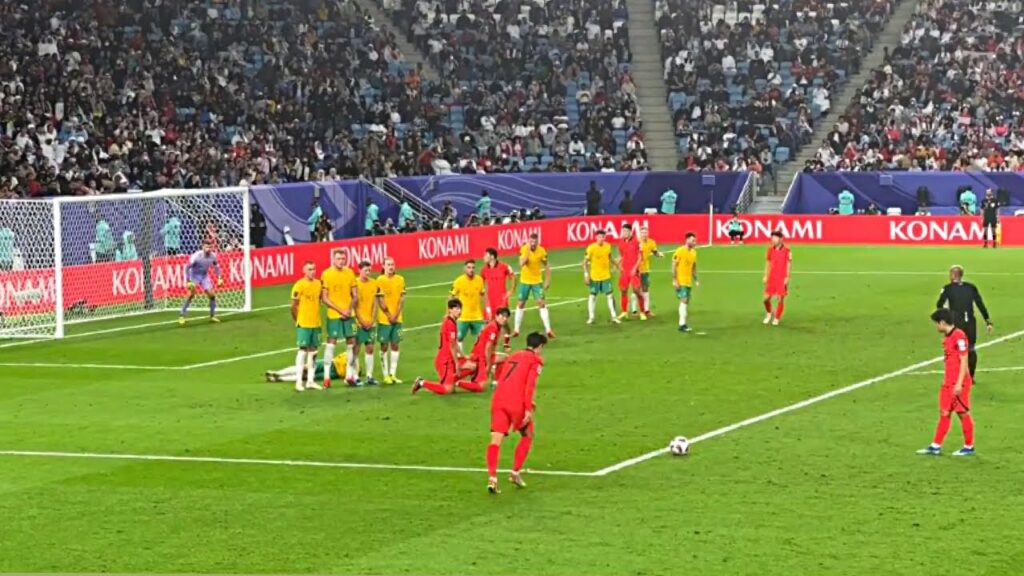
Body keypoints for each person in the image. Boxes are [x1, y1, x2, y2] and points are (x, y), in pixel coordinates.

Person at [486, 331, 548, 494]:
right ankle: (514, 472)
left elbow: (502, 376)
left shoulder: (513, 355)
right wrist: (527, 407)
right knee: (528, 434)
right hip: (516, 403)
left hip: (498, 399)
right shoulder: (536, 360)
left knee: (495, 439)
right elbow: (529, 385)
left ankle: (492, 477)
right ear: (539, 347)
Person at [917, 309, 976, 456]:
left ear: (942, 322)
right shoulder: (947, 337)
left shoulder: (959, 336)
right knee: (944, 412)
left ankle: (969, 447)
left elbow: (964, 361)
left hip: (958, 383)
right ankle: (935, 446)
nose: (936, 327)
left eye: (937, 324)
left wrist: (959, 384)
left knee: (962, 413)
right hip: (948, 382)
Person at [412, 299, 480, 395]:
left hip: (450, 359)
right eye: (456, 309)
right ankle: (422, 382)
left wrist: (463, 356)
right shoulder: (450, 323)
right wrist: (457, 363)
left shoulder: (451, 321)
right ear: (450, 310)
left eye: (460, 308)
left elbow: (455, 343)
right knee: (448, 390)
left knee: (473, 366)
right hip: (444, 361)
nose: (459, 311)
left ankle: (452, 381)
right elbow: (452, 345)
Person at [936, 265, 992, 380]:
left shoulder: (947, 288)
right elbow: (980, 303)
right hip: (970, 323)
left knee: (955, 350)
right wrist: (987, 321)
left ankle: (957, 376)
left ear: (952, 275)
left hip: (956, 324)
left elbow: (939, 305)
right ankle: (971, 377)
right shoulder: (971, 287)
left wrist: (945, 317)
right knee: (971, 349)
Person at [320, 249, 358, 387]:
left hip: (349, 315)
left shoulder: (350, 273)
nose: (341, 261)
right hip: (334, 315)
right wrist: (341, 310)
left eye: (343, 258)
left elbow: (355, 295)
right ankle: (326, 377)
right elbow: (324, 298)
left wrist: (348, 309)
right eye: (339, 258)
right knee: (331, 343)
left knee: (352, 342)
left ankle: (349, 375)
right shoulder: (327, 274)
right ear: (333, 259)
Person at [457, 308, 511, 392]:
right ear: (496, 316)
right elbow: (488, 348)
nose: (504, 319)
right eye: (502, 316)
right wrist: (489, 364)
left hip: (482, 354)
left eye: (506, 317)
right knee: (480, 387)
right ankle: (458, 382)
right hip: (481, 357)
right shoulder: (493, 327)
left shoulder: (496, 326)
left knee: (505, 358)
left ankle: (495, 383)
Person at [290, 261, 324, 392]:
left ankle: (310, 380)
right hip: (304, 323)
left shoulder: (318, 284)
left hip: (316, 323)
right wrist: (297, 320)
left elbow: (320, 299)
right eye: (309, 269)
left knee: (314, 351)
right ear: (304, 271)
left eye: (314, 269)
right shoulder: (299, 285)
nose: (312, 271)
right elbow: (293, 305)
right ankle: (299, 382)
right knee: (302, 350)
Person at [513, 233, 554, 338]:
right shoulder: (524, 249)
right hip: (525, 281)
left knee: (541, 303)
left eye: (535, 242)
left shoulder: (542, 251)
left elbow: (547, 265)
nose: (533, 243)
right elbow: (521, 264)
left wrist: (548, 280)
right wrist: (527, 252)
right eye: (531, 241)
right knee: (521, 303)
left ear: (538, 242)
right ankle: (516, 329)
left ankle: (548, 329)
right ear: (529, 241)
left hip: (537, 281)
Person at [375, 257, 406, 385]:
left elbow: (402, 299)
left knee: (395, 344)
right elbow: (380, 300)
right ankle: (385, 374)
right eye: (388, 264)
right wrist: (389, 314)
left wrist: (396, 314)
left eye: (392, 264)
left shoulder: (400, 279)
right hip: (384, 319)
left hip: (397, 318)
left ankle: (393, 374)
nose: (391, 267)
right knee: (384, 346)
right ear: (383, 266)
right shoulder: (380, 280)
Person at [179, 241, 224, 325]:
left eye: (210, 247)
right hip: (194, 275)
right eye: (206, 247)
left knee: (212, 295)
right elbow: (187, 267)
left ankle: (212, 316)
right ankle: (182, 315)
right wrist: (188, 281)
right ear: (203, 247)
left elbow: (217, 267)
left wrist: (219, 278)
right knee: (191, 294)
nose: (208, 249)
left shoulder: (213, 256)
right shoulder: (196, 256)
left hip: (204, 276)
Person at [481, 247, 515, 353]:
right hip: (490, 301)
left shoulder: (504, 267)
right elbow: (480, 282)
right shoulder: (484, 270)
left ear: (492, 256)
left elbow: (513, 276)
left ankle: (506, 342)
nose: (483, 257)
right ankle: (489, 345)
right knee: (490, 323)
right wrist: (483, 296)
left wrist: (511, 291)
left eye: (485, 255)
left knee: (503, 322)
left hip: (501, 300)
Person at [584, 229, 619, 325]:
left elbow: (610, 257)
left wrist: (617, 266)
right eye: (599, 237)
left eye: (603, 237)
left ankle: (614, 316)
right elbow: (585, 263)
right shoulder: (591, 248)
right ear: (596, 237)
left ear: (604, 237)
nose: (601, 239)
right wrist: (586, 275)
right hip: (594, 277)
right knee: (592, 297)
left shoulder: (608, 246)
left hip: (605, 276)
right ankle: (591, 317)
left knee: (610, 296)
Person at [353, 261, 380, 386]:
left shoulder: (374, 283)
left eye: (369, 270)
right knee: (356, 348)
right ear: (359, 270)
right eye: (365, 270)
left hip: (370, 322)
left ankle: (369, 376)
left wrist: (373, 320)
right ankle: (355, 376)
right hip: (358, 322)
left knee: (370, 348)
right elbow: (355, 305)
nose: (368, 273)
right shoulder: (354, 284)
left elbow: (376, 303)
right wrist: (361, 320)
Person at [451, 259, 487, 352]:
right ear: (464, 269)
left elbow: (483, 295)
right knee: (459, 338)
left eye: (473, 268)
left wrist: (487, 310)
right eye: (469, 267)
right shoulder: (459, 281)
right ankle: (460, 357)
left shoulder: (479, 280)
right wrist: (450, 313)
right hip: (463, 316)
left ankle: (479, 356)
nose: (471, 270)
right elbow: (452, 296)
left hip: (477, 316)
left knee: (482, 337)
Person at [762, 230, 792, 326]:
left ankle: (777, 318)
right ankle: (769, 313)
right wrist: (766, 275)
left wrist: (787, 277)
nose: (773, 240)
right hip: (772, 277)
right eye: (772, 238)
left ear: (781, 239)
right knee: (766, 299)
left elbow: (788, 264)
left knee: (780, 299)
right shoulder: (770, 250)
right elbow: (767, 263)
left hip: (781, 277)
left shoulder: (787, 250)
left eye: (775, 238)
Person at [616, 223, 644, 321]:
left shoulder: (637, 241)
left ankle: (642, 312)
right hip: (625, 270)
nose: (624, 233)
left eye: (626, 231)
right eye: (623, 231)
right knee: (623, 290)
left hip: (634, 270)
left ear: (630, 232)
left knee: (637, 291)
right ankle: (624, 312)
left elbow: (640, 256)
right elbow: (621, 255)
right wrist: (617, 265)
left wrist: (635, 268)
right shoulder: (620, 242)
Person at [671, 232, 698, 332]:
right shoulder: (680, 251)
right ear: (687, 240)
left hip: (688, 282)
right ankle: (682, 324)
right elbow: (674, 265)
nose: (694, 242)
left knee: (686, 301)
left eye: (695, 240)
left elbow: (693, 267)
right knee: (684, 300)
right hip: (680, 280)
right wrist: (674, 280)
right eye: (692, 240)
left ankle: (683, 323)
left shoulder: (694, 252)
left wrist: (696, 279)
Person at [266, 352, 346, 384]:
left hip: (335, 372)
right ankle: (279, 374)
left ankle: (279, 376)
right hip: (332, 364)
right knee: (307, 369)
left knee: (307, 375)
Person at [636, 225, 661, 316]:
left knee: (645, 289)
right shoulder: (636, 242)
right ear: (640, 234)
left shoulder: (651, 242)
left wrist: (658, 254)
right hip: (636, 269)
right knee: (636, 289)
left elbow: (654, 251)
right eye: (642, 233)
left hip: (645, 269)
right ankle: (634, 310)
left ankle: (646, 310)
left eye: (645, 232)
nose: (644, 234)